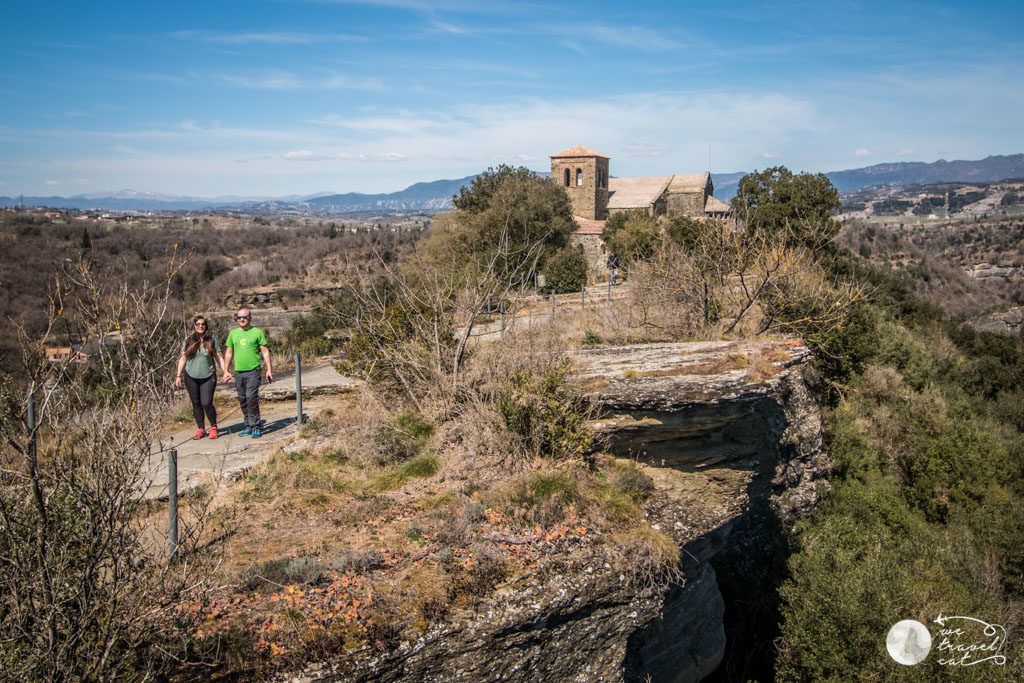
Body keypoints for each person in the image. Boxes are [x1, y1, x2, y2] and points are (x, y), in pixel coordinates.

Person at [222, 308, 273, 438]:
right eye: (239, 317)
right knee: (243, 399)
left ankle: (256, 425)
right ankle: (248, 425)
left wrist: (269, 370)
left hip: (253, 371)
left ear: (250, 318)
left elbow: (265, 351)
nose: (241, 320)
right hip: (239, 372)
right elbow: (228, 352)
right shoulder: (233, 334)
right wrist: (226, 370)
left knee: (251, 398)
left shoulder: (257, 332)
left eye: (244, 317)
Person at [175, 315, 227, 440]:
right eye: (198, 324)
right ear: (194, 326)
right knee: (196, 403)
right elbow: (183, 359)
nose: (200, 326)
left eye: (202, 324)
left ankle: (213, 427)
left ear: (206, 325)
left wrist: (225, 371)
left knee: (206, 402)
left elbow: (218, 357)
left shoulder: (212, 340)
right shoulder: (188, 341)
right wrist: (178, 375)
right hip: (191, 376)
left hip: (208, 376)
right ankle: (201, 429)